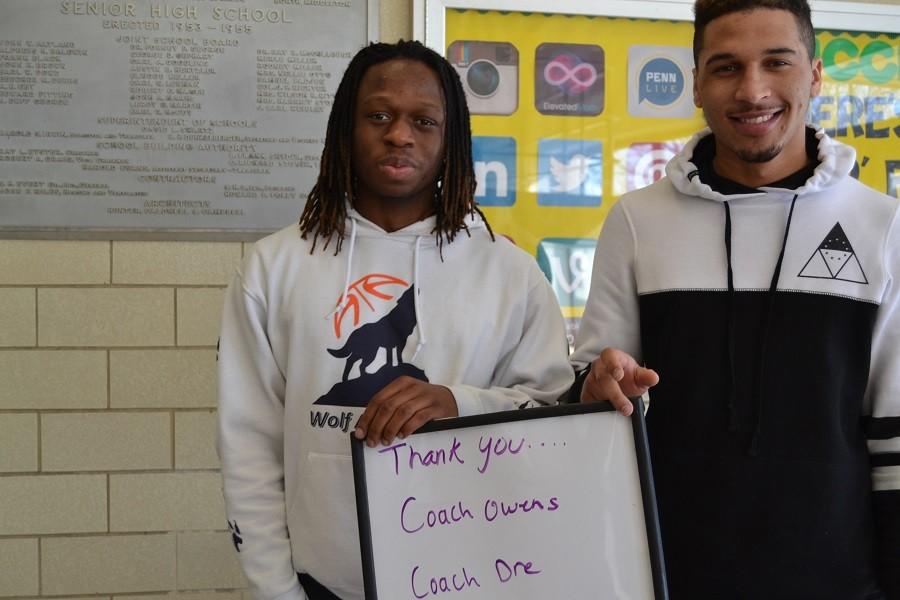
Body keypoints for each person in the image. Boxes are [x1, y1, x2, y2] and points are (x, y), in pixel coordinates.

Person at [217, 40, 573, 600]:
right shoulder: (273, 267)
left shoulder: (508, 272)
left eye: (424, 121)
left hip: (475, 575)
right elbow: (248, 446)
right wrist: (277, 589)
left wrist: (460, 402)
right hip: (321, 582)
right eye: (379, 115)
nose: (400, 135)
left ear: (449, 138)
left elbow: (552, 412)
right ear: (345, 129)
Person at [569, 0, 900, 597]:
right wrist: (596, 385)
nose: (753, 90)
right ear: (695, 82)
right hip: (664, 578)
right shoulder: (638, 221)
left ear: (815, 75)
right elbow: (591, 396)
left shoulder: (881, 225)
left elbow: (894, 435)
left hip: (838, 583)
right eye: (725, 67)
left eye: (777, 62)